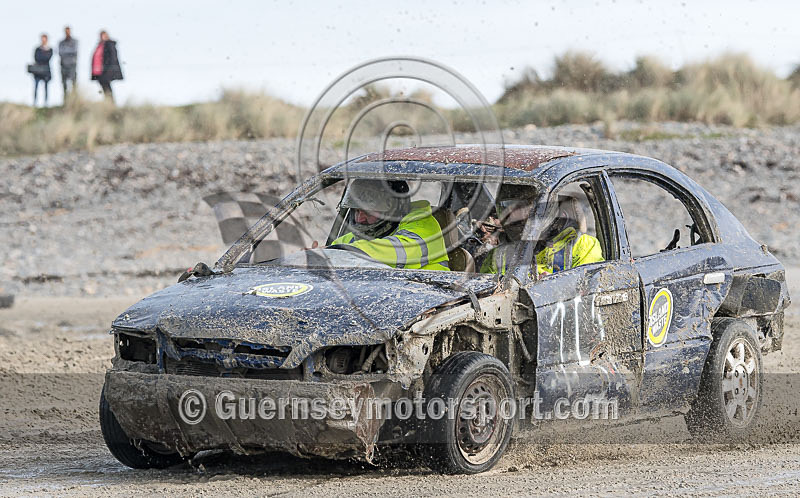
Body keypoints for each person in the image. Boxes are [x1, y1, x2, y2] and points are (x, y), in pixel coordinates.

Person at [329, 179, 450, 270]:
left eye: (368, 212)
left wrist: (339, 252)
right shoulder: (349, 240)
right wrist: (315, 255)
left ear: (392, 210)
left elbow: (394, 251)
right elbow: (331, 256)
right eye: (357, 211)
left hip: (435, 297)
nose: (360, 218)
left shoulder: (424, 226)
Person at [480, 190, 603, 276]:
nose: (512, 213)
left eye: (521, 206)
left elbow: (594, 286)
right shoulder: (499, 254)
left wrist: (557, 285)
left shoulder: (582, 245)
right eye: (506, 205)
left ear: (544, 208)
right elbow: (485, 294)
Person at [91, 30, 123, 101]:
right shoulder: (100, 45)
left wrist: (110, 69)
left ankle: (110, 102)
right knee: (104, 86)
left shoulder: (109, 44)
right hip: (99, 70)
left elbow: (113, 57)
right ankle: (107, 101)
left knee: (107, 87)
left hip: (106, 70)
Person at [29, 34, 53, 107]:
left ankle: (46, 103)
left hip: (46, 71)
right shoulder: (37, 49)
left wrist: (42, 58)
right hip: (38, 71)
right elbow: (36, 58)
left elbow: (47, 58)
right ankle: (35, 103)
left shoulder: (50, 49)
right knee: (36, 87)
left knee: (46, 87)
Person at [58, 26, 78, 99]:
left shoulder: (75, 41)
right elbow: (60, 52)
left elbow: (74, 51)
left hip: (72, 65)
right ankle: (65, 99)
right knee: (64, 84)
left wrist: (66, 51)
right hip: (63, 65)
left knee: (73, 83)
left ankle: (75, 99)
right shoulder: (61, 42)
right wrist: (69, 51)